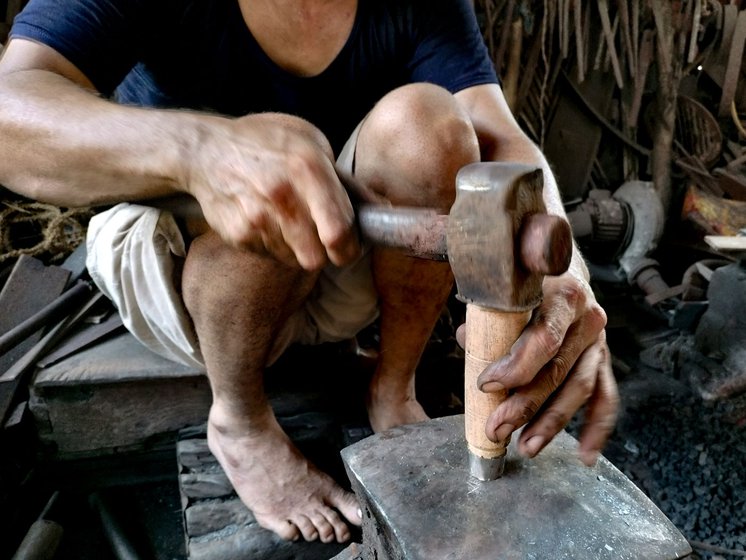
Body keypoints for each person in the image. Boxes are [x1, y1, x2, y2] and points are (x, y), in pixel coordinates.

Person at [0, 0, 619, 545]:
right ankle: (239, 421)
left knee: (426, 125)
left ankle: (392, 384)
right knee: (284, 142)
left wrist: (567, 276)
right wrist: (199, 152)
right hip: (189, 274)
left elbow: (499, 136)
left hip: (340, 248)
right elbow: (10, 115)